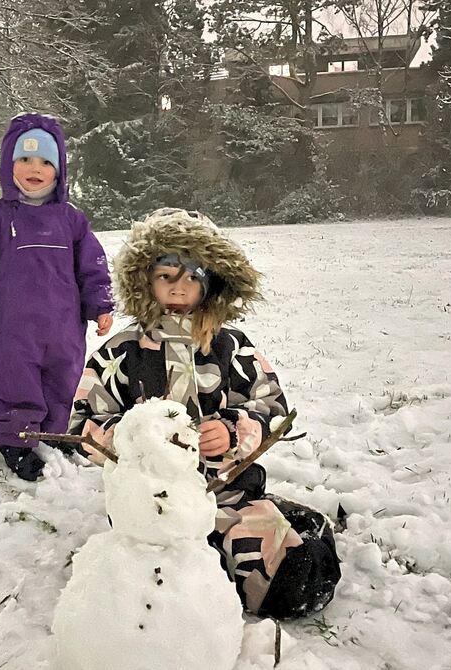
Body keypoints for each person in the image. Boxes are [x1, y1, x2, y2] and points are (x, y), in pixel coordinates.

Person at [68, 208, 340, 619]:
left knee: (292, 584)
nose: (179, 288)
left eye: (192, 276)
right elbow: (83, 424)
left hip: (229, 498)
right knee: (155, 600)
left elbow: (270, 405)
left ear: (211, 283)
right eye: (166, 275)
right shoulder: (119, 353)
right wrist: (136, 438)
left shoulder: (231, 347)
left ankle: (283, 528)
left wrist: (234, 432)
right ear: (145, 280)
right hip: (151, 511)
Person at [0, 113, 113, 481]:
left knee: (64, 379)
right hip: (12, 329)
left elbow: (93, 266)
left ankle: (55, 433)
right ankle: (16, 440)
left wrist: (100, 305)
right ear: (9, 165)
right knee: (12, 380)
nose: (34, 169)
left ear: (59, 170)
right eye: (24, 159)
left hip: (63, 327)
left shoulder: (72, 220)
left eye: (44, 162)